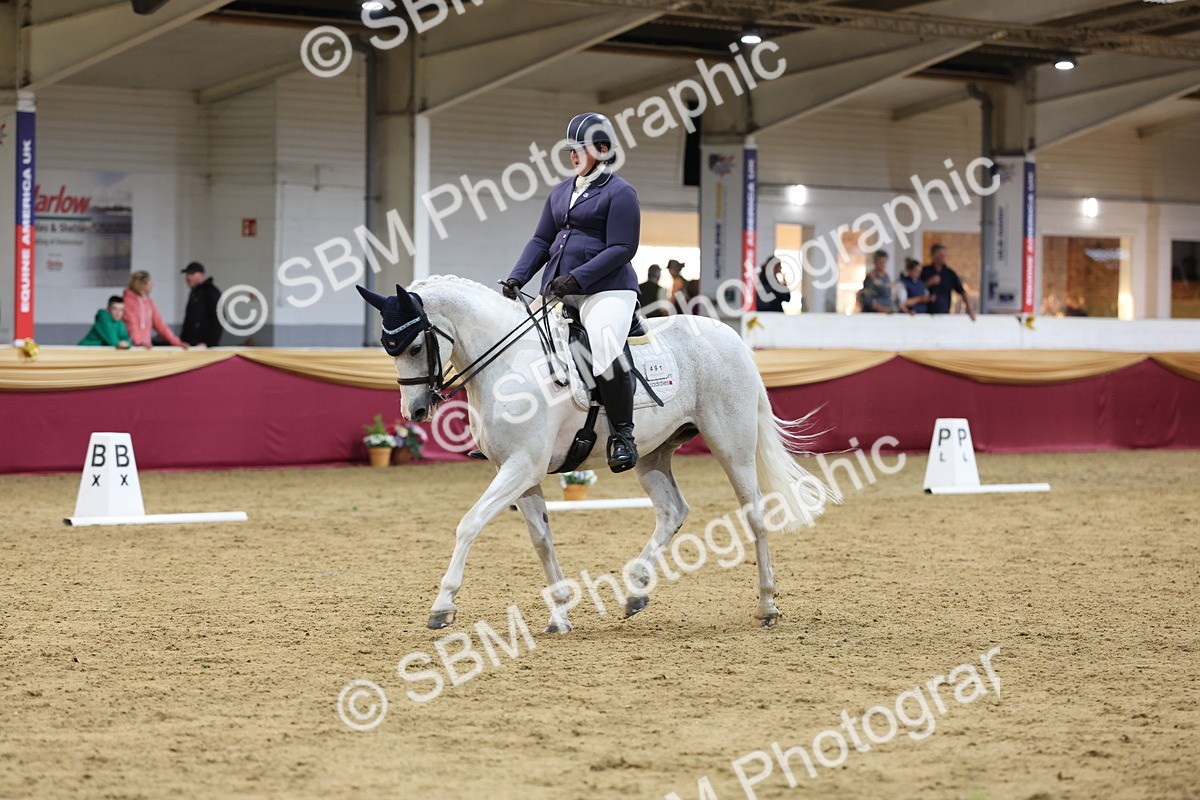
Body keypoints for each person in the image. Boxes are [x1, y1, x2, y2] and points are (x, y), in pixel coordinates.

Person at [501, 112, 641, 473]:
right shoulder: (562, 191)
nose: (573, 155)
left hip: (607, 290)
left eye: (581, 148)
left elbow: (623, 247)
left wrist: (577, 278)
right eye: (571, 149)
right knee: (519, 341)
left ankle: (622, 436)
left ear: (603, 150)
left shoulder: (620, 192)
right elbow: (541, 240)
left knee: (604, 347)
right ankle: (508, 433)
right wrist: (517, 277)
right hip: (561, 289)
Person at [123, 271, 188, 349]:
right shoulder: (128, 301)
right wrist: (138, 342)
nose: (152, 285)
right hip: (132, 347)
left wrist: (176, 342)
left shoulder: (149, 302)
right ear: (142, 284)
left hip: (146, 347)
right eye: (149, 283)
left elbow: (160, 324)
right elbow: (131, 325)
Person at [920, 244, 975, 320]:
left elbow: (962, 292)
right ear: (933, 256)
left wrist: (969, 309)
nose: (943, 257)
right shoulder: (924, 271)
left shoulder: (949, 274)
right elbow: (917, 288)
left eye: (944, 255)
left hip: (944, 312)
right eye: (941, 255)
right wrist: (929, 282)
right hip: (924, 314)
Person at [181, 262, 222, 347]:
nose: (188, 277)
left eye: (192, 274)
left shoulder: (210, 292)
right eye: (187, 274)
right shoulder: (194, 293)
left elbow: (219, 318)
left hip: (203, 346)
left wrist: (208, 343)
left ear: (202, 275)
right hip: (190, 344)